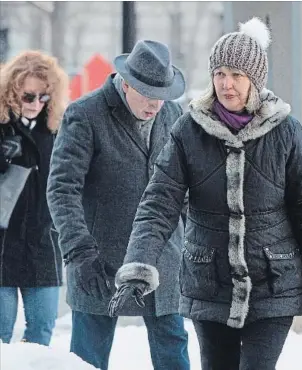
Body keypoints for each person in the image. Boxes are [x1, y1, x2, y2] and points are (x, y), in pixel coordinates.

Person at [108, 18, 302, 370]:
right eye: (219, 73)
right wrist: (137, 267)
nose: (226, 83)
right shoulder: (189, 130)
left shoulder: (285, 131)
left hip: (274, 284)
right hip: (210, 282)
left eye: (236, 74)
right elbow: (158, 204)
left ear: (254, 79)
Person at [46, 40, 190, 370]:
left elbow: (183, 187)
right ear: (126, 83)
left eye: (162, 95)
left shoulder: (172, 113)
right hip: (98, 259)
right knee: (88, 356)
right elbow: (62, 189)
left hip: (162, 258)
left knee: (173, 350)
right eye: (148, 95)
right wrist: (79, 252)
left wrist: (191, 238)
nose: (156, 104)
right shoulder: (85, 114)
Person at [0, 51, 69, 345]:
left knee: (42, 331)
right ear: (12, 91)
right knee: (1, 334)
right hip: (2, 245)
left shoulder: (55, 132)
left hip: (42, 242)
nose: (36, 105)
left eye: (43, 98)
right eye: (29, 97)